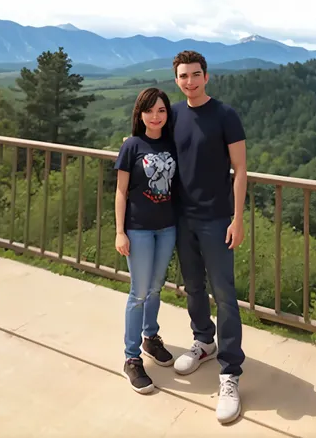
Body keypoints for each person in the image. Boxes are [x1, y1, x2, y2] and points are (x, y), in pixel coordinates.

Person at [170, 50, 247, 424]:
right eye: (184, 76)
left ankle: (230, 373)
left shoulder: (225, 115)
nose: (190, 81)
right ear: (177, 79)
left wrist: (238, 219)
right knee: (193, 288)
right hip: (183, 219)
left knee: (225, 295)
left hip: (217, 220)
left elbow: (241, 168)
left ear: (207, 76)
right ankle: (204, 341)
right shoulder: (172, 114)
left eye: (196, 74)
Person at [114, 87, 178, 394]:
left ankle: (150, 337)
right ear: (140, 114)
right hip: (138, 229)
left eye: (162, 110)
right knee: (138, 292)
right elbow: (121, 191)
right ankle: (131, 358)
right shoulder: (132, 146)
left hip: (167, 227)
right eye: (150, 111)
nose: (156, 116)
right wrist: (119, 231)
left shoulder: (171, 143)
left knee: (155, 287)